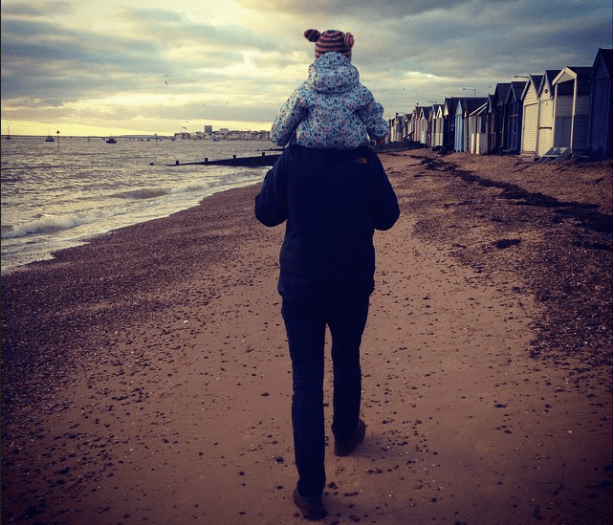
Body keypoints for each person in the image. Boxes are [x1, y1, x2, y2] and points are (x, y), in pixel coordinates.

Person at [255, 144, 399, 520]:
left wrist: (280, 171)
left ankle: (310, 491)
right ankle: (346, 434)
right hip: (351, 284)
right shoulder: (363, 156)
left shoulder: (294, 156)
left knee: (306, 381)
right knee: (347, 357)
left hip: (302, 286)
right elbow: (388, 216)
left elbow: (266, 212)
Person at [270, 29, 389, 150]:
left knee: (288, 159)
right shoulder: (360, 92)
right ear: (348, 57)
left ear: (317, 58)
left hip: (308, 153)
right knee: (370, 159)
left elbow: (283, 127)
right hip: (352, 153)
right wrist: (379, 135)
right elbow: (373, 119)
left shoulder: (304, 92)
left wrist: (278, 137)